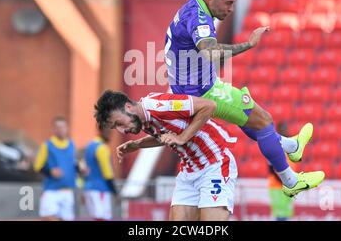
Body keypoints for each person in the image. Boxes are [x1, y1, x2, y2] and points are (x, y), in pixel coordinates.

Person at [164, 0, 324, 197]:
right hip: (203, 92)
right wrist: (249, 44)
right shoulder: (200, 18)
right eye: (228, 3)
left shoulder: (195, 3)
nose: (231, 9)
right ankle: (290, 180)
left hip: (196, 86)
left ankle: (291, 146)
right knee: (264, 121)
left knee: (250, 118)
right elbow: (211, 52)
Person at [94, 90, 237, 221]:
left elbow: (209, 105)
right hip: (189, 170)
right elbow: (164, 136)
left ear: (128, 107)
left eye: (119, 123)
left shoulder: (159, 105)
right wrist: (137, 144)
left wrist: (183, 137)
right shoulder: (142, 121)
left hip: (215, 162)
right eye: (115, 127)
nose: (121, 130)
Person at [34, 116, 77, 221]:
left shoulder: (71, 144)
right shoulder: (47, 145)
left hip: (68, 190)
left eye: (63, 127)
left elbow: (73, 164)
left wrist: (81, 169)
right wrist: (50, 171)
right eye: (58, 127)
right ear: (53, 129)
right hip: (52, 190)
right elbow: (37, 166)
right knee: (49, 218)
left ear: (67, 128)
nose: (61, 130)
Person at [82, 130, 117, 220]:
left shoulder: (89, 146)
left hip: (88, 188)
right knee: (103, 218)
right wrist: (115, 191)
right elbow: (107, 173)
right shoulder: (102, 147)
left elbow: (84, 169)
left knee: (95, 218)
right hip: (100, 188)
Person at [267, 122, 296, 221]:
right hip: (277, 186)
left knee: (286, 213)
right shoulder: (274, 145)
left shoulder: (289, 143)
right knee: (280, 214)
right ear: (278, 130)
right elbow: (271, 169)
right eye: (283, 128)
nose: (285, 130)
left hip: (288, 184)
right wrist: (284, 181)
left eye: (286, 128)